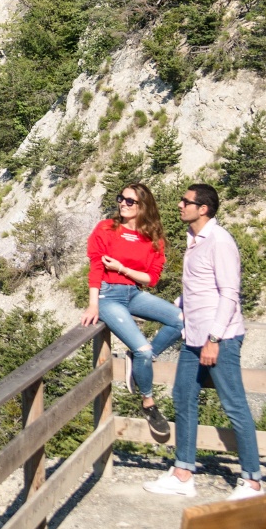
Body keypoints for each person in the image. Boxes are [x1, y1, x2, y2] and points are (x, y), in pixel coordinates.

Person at [145, 182, 263, 500]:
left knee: (234, 405)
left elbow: (229, 294)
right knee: (182, 397)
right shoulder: (194, 240)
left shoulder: (220, 241)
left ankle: (252, 481)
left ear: (203, 208)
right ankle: (183, 474)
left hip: (219, 338)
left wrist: (213, 339)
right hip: (193, 337)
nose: (180, 205)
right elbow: (194, 291)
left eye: (186, 201)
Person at [78, 182, 181, 441]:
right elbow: (96, 268)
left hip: (133, 293)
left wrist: (123, 269)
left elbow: (151, 279)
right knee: (143, 348)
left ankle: (139, 362)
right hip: (107, 295)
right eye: (121, 198)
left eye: (130, 201)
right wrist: (93, 304)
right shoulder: (106, 228)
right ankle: (148, 403)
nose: (122, 203)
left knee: (180, 320)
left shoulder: (153, 238)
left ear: (143, 206)